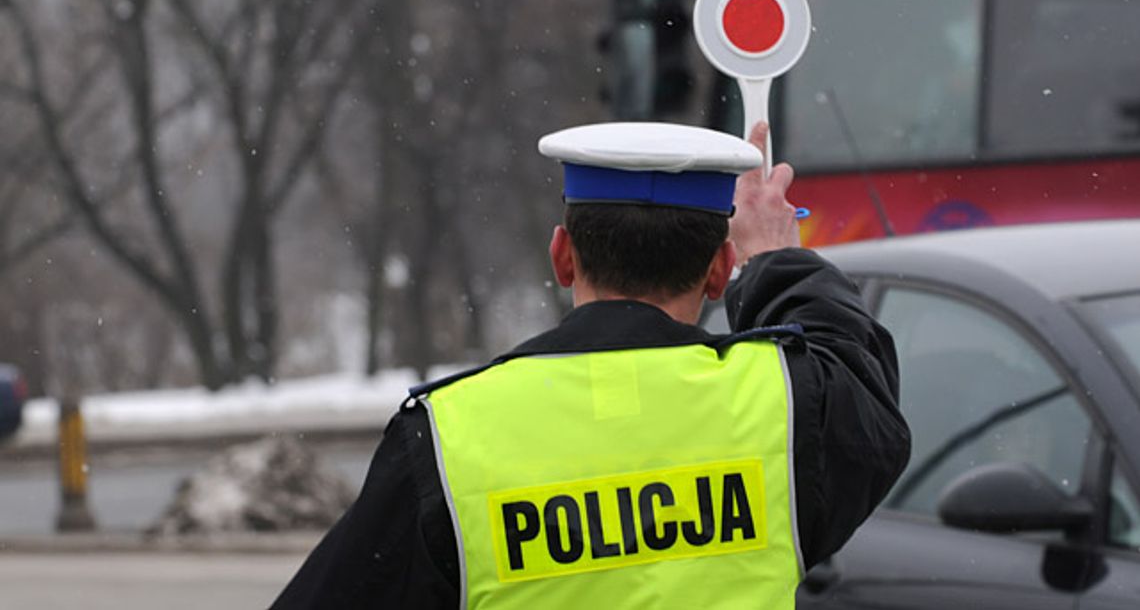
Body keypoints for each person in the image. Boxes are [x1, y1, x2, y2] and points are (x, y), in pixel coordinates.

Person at [273, 121, 910, 609]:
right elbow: (859, 369)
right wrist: (772, 257)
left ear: (563, 257)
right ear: (718, 272)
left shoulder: (447, 437)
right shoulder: (786, 408)